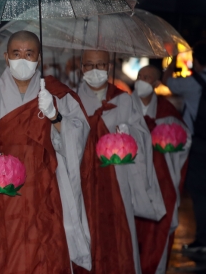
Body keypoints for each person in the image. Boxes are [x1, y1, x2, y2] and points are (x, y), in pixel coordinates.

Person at [0, 30, 91, 274]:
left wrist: (55, 116)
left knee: (46, 257)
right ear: (6, 57)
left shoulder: (55, 95)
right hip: (1, 196)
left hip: (44, 194)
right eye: (16, 53)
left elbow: (78, 140)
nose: (22, 60)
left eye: (29, 54)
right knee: (3, 258)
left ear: (39, 57)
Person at [75, 50, 165, 274]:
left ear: (109, 67)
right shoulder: (72, 101)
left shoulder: (123, 100)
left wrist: (130, 134)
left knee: (118, 232)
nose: (95, 70)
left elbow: (143, 136)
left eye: (101, 64)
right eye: (90, 65)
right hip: (83, 180)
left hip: (118, 178)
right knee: (86, 233)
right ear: (81, 68)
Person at [133, 65, 190, 274]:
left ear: (156, 84)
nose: (142, 80)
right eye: (140, 76)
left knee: (156, 234)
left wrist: (167, 140)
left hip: (159, 182)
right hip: (131, 183)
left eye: (147, 77)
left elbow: (184, 140)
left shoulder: (167, 111)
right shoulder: (122, 106)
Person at [163, 41, 206, 253]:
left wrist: (173, 58)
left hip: (198, 144)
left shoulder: (191, 83)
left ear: (197, 61)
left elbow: (166, 81)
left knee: (199, 193)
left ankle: (202, 239)